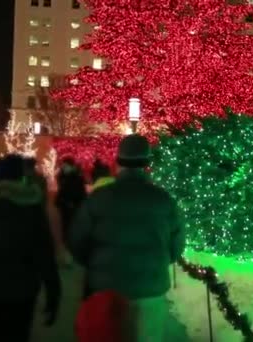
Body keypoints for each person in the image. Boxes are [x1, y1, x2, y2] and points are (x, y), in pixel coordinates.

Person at [68, 134, 186, 342]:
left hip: (107, 289)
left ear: (119, 161)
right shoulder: (163, 199)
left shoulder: (99, 198)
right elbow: (176, 246)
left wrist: (97, 265)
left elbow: (77, 241)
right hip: (151, 288)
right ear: (147, 162)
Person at [0, 154, 60, 342]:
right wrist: (53, 291)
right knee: (19, 334)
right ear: (20, 178)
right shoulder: (32, 208)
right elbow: (45, 253)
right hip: (23, 287)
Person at [55, 158, 87, 248]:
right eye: (63, 166)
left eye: (65, 166)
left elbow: (80, 193)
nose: (63, 167)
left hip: (72, 208)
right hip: (68, 208)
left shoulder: (76, 178)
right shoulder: (65, 177)